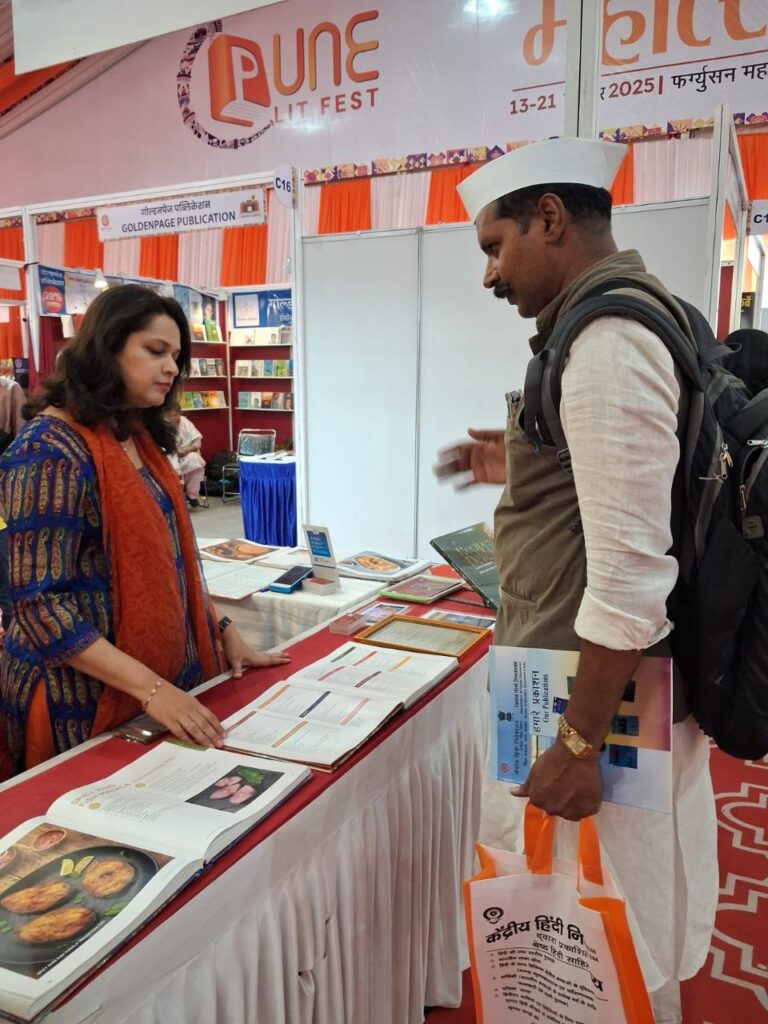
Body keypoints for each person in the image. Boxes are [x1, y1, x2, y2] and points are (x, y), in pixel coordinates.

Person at [435, 138, 717, 1024]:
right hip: (590, 682)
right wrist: (515, 459)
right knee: (577, 934)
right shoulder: (624, 322)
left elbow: (630, 580)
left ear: (549, 218)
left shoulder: (606, 342)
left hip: (588, 693)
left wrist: (579, 744)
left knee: (593, 933)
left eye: (494, 246)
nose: (489, 274)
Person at [0, 284, 289, 776]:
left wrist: (222, 629)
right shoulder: (46, 453)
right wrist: (153, 690)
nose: (172, 368)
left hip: (151, 685)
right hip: (80, 703)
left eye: (176, 356)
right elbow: (39, 609)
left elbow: (170, 561)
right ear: (107, 349)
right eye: (155, 351)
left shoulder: (137, 438)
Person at [166, 401, 206, 507]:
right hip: (168, 459)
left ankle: (192, 495)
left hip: (185, 454)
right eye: (170, 415)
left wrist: (188, 449)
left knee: (196, 460)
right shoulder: (161, 426)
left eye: (176, 415)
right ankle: (175, 498)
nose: (173, 418)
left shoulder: (185, 422)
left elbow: (197, 442)